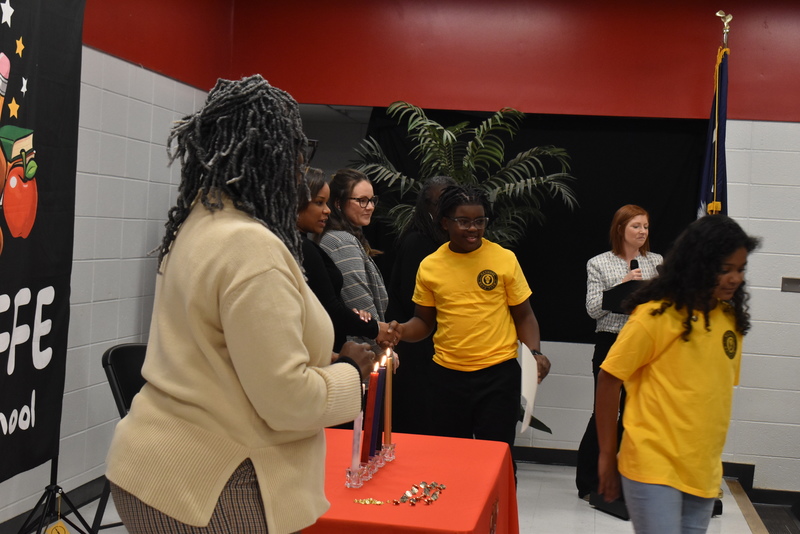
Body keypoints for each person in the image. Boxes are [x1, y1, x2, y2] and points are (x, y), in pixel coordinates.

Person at [104, 75, 375, 534]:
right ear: (271, 155)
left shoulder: (201, 221)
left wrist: (311, 359)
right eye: (297, 152)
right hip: (214, 486)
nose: (299, 167)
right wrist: (353, 375)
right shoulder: (251, 246)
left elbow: (224, 352)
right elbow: (286, 403)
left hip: (158, 469)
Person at [596, 214, 760, 533]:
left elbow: (709, 396)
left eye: (740, 269)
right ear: (698, 265)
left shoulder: (730, 321)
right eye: (725, 269)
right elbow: (609, 377)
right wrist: (606, 453)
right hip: (652, 463)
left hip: (702, 470)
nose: (734, 278)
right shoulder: (657, 314)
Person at [388, 184, 551, 461]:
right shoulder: (431, 265)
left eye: (479, 221)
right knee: (450, 462)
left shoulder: (503, 258)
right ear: (445, 222)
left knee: (496, 461)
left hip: (498, 376)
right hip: (446, 379)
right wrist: (401, 331)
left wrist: (535, 352)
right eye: (463, 221)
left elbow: (524, 315)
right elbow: (423, 323)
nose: (473, 229)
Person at [576, 204, 663, 499]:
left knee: (635, 413)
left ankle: (625, 482)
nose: (642, 232)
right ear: (620, 229)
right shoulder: (599, 263)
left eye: (645, 227)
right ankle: (588, 482)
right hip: (611, 342)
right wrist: (624, 287)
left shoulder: (657, 262)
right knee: (604, 413)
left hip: (646, 345)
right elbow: (592, 310)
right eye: (636, 226)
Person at [385, 175, 455, 435]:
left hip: (429, 350)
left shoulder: (438, 242)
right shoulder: (419, 242)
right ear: (427, 206)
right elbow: (413, 300)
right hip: (415, 350)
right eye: (441, 202)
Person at [297, 167, 393, 351]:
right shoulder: (341, 241)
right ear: (339, 204)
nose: (370, 207)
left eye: (372, 200)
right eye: (362, 201)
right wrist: (380, 345)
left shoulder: (341, 238)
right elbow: (357, 299)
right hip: (358, 348)